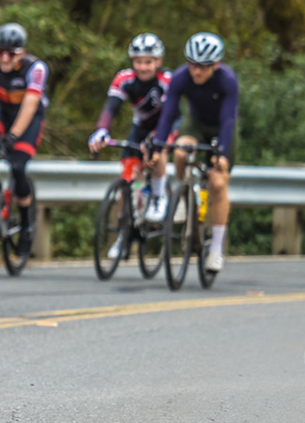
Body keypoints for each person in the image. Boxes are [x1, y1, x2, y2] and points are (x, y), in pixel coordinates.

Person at [149, 32, 239, 274]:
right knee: (180, 152)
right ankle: (183, 193)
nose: (197, 71)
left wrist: (220, 153)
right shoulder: (180, 77)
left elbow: (229, 119)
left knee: (218, 182)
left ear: (216, 65)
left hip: (221, 129)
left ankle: (216, 248)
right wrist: (158, 148)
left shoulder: (227, 80)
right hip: (196, 124)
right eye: (193, 65)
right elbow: (168, 114)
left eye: (204, 67)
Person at [87, 33, 172, 229]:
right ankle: (125, 228)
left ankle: (159, 196)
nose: (142, 67)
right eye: (138, 61)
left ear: (158, 61)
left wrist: (155, 139)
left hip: (166, 124)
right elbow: (111, 108)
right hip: (140, 125)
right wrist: (101, 130)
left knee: (157, 151)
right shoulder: (124, 79)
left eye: (148, 62)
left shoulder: (166, 80)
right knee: (128, 174)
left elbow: (169, 116)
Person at [0, 22, 47, 257]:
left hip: (28, 119)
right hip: (3, 112)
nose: (5, 58)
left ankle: (26, 225)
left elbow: (30, 106)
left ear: (22, 52)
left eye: (11, 53)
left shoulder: (35, 68)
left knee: (18, 165)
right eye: (1, 52)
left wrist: (13, 135)